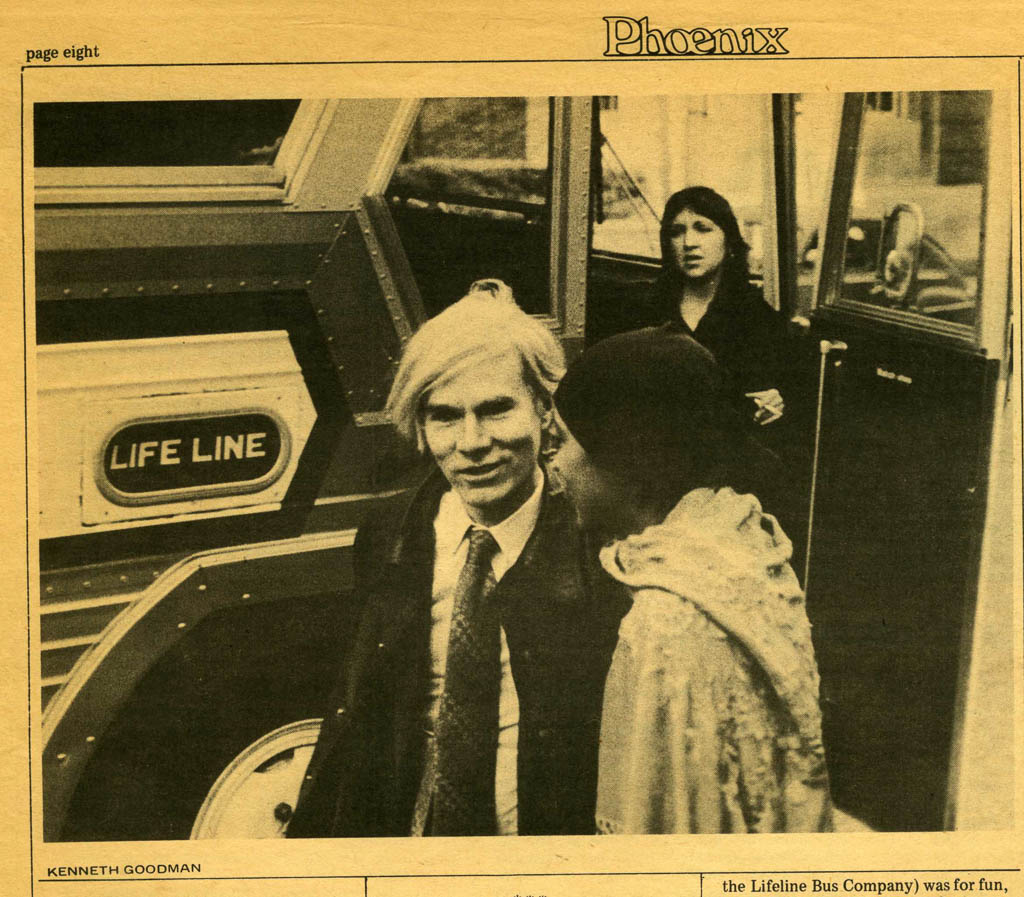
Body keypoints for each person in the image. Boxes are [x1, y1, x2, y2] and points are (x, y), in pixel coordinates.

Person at [286, 279, 628, 838]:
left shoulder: (598, 544)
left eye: (496, 409)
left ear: (546, 410)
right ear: (420, 426)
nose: (471, 443)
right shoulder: (389, 534)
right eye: (445, 416)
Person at [548, 328, 832, 834]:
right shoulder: (739, 534)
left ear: (629, 459)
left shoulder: (666, 624)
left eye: (563, 442)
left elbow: (665, 825)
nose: (554, 465)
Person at [648, 186, 790, 428]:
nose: (689, 243)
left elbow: (779, 391)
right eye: (676, 232)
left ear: (729, 240)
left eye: (703, 229)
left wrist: (776, 400)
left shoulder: (757, 317)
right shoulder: (646, 307)